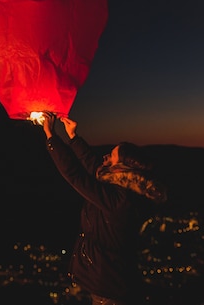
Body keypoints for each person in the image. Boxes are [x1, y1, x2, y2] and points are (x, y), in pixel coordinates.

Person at [40, 112, 167, 305]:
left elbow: (75, 176)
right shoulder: (123, 189)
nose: (106, 156)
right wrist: (73, 137)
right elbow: (94, 168)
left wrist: (51, 136)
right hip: (111, 286)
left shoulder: (119, 200)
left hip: (110, 292)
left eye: (112, 156)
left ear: (122, 167)